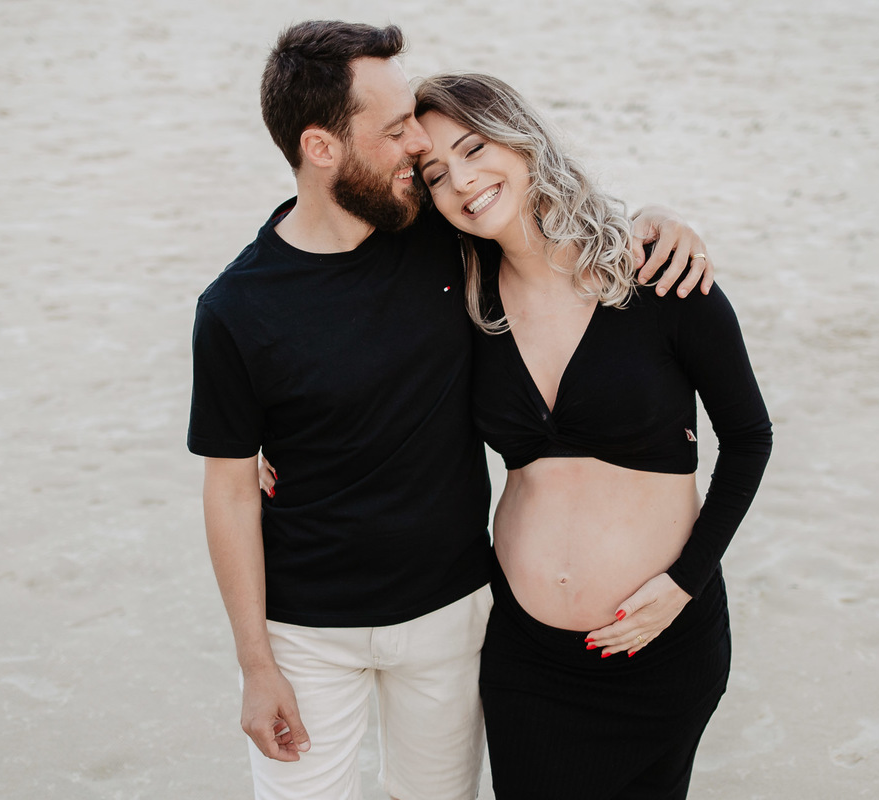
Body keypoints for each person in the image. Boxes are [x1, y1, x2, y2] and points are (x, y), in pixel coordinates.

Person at [187, 21, 714, 800]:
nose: (419, 147)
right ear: (322, 147)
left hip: (451, 612)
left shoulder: (444, 232)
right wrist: (255, 666)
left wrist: (661, 218)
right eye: (395, 128)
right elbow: (229, 492)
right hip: (307, 629)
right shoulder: (236, 309)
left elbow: (545, 221)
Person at [411, 73, 772, 799]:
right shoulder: (463, 305)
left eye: (473, 148)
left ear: (522, 139)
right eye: (435, 174)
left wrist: (684, 585)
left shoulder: (658, 277)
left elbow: (749, 439)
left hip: (660, 644)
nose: (462, 180)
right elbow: (356, 349)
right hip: (525, 655)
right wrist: (275, 446)